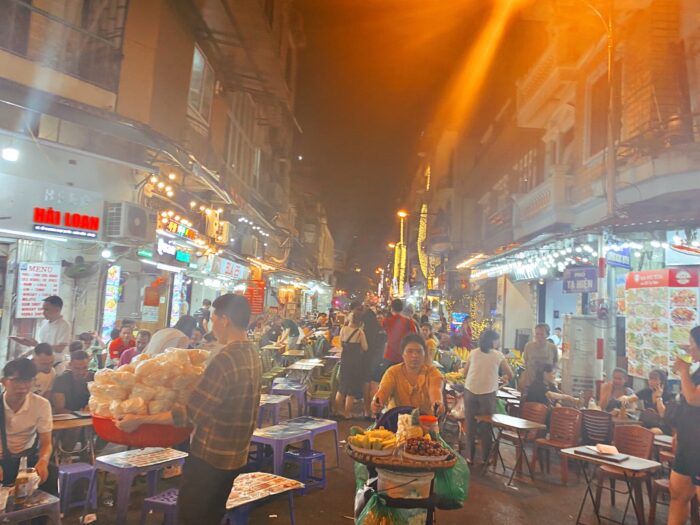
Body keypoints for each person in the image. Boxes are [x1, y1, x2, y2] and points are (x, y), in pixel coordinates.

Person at [116, 294, 261, 525]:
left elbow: (191, 413)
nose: (212, 326)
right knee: (211, 516)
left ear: (224, 320)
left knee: (192, 517)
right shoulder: (252, 353)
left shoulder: (225, 358)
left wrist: (140, 419)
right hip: (235, 454)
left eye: (213, 319)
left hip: (210, 457)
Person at [0, 358, 56, 494]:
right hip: (2, 459)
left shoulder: (41, 404)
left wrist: (43, 461)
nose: (23, 387)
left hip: (26, 459)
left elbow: (46, 442)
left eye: (28, 381)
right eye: (17, 380)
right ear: (3, 381)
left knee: (51, 478)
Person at [463, 330, 514, 464]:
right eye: (497, 340)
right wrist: (503, 377)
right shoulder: (498, 355)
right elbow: (510, 374)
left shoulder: (473, 353)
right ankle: (486, 458)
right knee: (486, 425)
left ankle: (469, 456)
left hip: (470, 390)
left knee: (470, 424)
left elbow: (464, 372)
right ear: (493, 341)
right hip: (487, 393)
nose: (498, 342)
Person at [668, 326, 700, 524]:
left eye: (693, 345)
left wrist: (682, 370)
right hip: (689, 443)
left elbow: (694, 399)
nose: (690, 350)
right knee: (677, 495)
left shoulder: (690, 371)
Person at [372, 334, 444, 417]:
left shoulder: (433, 373)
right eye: (410, 351)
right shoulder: (392, 372)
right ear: (402, 354)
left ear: (424, 354)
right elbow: (383, 391)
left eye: (419, 351)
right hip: (396, 422)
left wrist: (438, 403)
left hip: (425, 423)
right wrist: (376, 402)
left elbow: (436, 390)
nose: (414, 355)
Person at [11, 296, 71, 369]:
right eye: (43, 309)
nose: (43, 312)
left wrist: (37, 345)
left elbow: (59, 349)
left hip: (54, 365)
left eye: (47, 309)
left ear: (57, 309)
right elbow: (40, 344)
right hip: (38, 362)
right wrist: (26, 353)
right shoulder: (44, 323)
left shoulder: (64, 325)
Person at [52, 350, 94, 453]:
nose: (81, 372)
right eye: (77, 368)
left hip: (90, 417)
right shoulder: (61, 380)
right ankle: (66, 455)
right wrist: (80, 414)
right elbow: (59, 408)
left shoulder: (94, 378)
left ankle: (96, 452)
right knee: (76, 427)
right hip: (69, 418)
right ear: (70, 365)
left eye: (84, 368)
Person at [335, 302, 368, 419]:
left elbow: (340, 344)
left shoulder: (343, 329)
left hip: (344, 361)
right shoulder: (360, 332)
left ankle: (338, 410)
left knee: (342, 387)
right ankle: (347, 413)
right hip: (355, 363)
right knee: (351, 390)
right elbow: (365, 347)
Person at [376, 299, 417, 382]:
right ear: (401, 309)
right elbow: (415, 337)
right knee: (400, 384)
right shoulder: (409, 322)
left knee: (387, 382)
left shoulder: (386, 321)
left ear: (391, 308)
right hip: (403, 357)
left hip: (389, 355)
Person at [622, 368, 672, 433]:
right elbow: (629, 399)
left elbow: (662, 414)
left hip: (662, 426)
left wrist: (658, 397)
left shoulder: (669, 396)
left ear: (662, 382)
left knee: (651, 432)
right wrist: (623, 400)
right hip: (647, 424)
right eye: (650, 378)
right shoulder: (647, 391)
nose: (651, 381)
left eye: (655, 379)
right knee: (630, 429)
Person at [519, 323, 558, 393]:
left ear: (547, 335)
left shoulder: (552, 348)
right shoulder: (528, 346)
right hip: (530, 384)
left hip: (546, 386)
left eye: (542, 334)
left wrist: (551, 376)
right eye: (537, 334)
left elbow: (555, 365)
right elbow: (526, 363)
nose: (539, 336)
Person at [362, 307, 386, 419]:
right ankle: (373, 412)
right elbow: (384, 347)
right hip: (377, 360)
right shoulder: (381, 331)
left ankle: (367, 410)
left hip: (366, 359)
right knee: (374, 386)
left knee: (367, 384)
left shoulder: (364, 330)